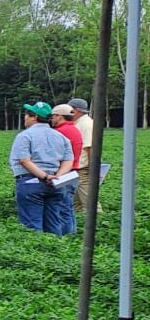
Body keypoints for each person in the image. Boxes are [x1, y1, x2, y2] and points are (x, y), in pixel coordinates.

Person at [11, 102, 75, 235]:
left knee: (32, 225)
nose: (25, 118)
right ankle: (56, 252)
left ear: (34, 117)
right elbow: (68, 160)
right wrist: (57, 176)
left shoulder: (24, 136)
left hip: (30, 182)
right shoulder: (61, 137)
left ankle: (36, 251)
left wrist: (44, 176)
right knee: (53, 223)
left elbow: (24, 160)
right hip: (56, 184)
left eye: (27, 115)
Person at [50, 103, 83, 234]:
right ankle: (72, 234)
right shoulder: (74, 129)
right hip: (73, 172)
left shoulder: (60, 132)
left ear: (59, 116)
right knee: (68, 207)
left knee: (62, 208)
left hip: (64, 173)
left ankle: (66, 236)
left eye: (53, 116)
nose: (52, 119)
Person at [68, 98, 100, 213]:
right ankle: (79, 226)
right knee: (76, 203)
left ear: (76, 111)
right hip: (76, 169)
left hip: (84, 169)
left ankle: (99, 225)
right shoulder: (78, 123)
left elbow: (91, 148)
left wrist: (93, 169)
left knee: (90, 203)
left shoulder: (86, 124)